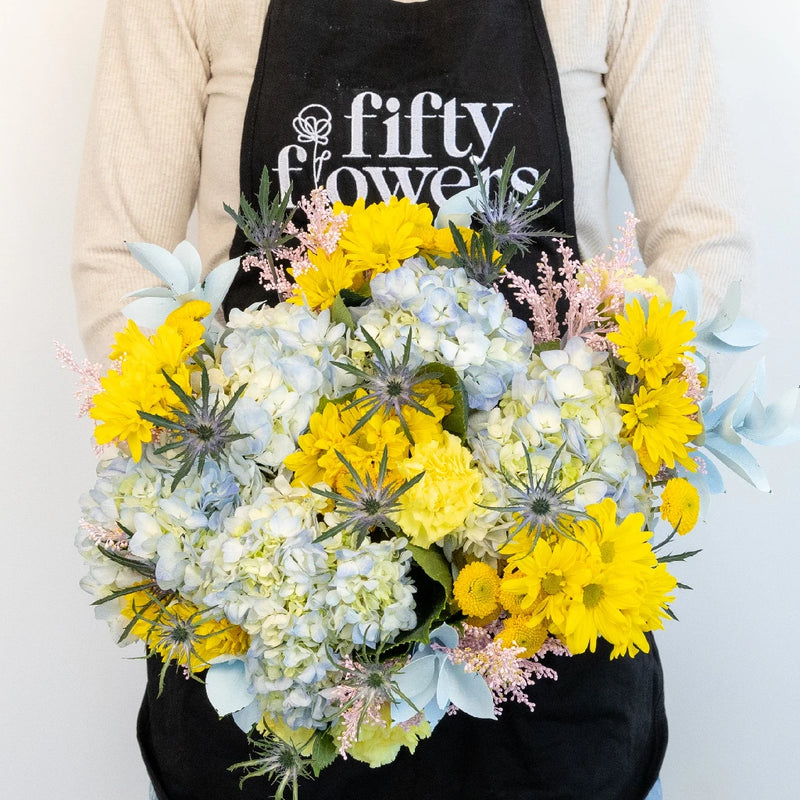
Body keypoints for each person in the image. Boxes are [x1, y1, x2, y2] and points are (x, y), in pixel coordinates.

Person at [72, 1, 751, 798]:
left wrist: (576, 465)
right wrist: (237, 510)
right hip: (274, 644)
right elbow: (121, 268)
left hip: (542, 618)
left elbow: (706, 245)